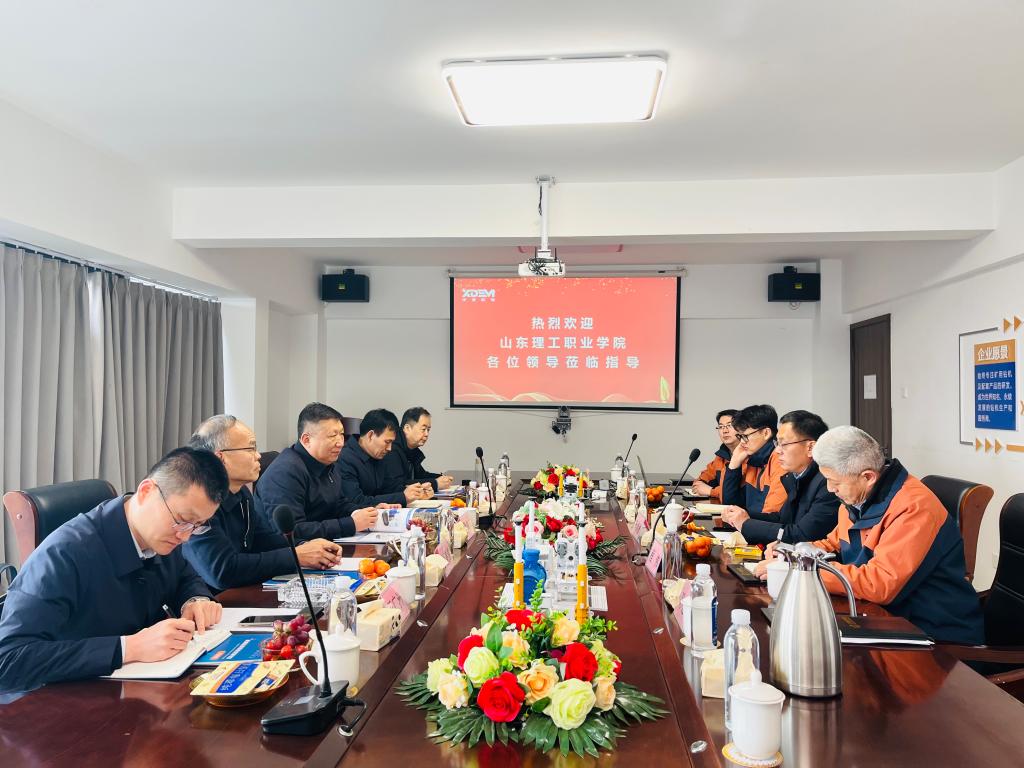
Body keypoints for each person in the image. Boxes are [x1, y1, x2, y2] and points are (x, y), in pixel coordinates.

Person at [0, 448, 228, 693]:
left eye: (197, 526)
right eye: (182, 519)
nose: (185, 536)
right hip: (69, 701)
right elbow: (8, 661)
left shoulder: (163, 536)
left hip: (140, 690)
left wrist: (195, 600)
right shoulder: (63, 554)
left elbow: (184, 576)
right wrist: (128, 648)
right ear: (146, 492)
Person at [792, 426, 982, 644]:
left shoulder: (913, 508)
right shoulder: (856, 499)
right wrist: (792, 553)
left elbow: (879, 584)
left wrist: (804, 570)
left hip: (932, 634)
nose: (830, 488)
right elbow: (834, 543)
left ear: (868, 477)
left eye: (835, 482)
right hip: (882, 618)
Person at [182, 415, 342, 591]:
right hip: (210, 600)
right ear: (221, 458)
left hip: (242, 592)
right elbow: (223, 571)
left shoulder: (241, 493)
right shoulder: (197, 502)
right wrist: (297, 556)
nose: (258, 456)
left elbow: (264, 539)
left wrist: (307, 548)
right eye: (250, 448)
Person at [255, 403, 380, 541]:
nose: (340, 443)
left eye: (341, 434)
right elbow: (292, 532)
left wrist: (367, 513)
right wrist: (350, 524)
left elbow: (338, 504)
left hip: (323, 542)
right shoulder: (285, 472)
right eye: (332, 436)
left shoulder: (327, 462)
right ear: (306, 440)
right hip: (291, 550)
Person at [724, 410, 839, 545]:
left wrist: (746, 524)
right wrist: (742, 516)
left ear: (810, 448)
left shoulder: (828, 484)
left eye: (784, 444)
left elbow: (802, 535)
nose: (778, 450)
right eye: (777, 444)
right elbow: (782, 519)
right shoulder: (796, 476)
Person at [339, 408, 432, 507]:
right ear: (370, 435)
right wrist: (403, 497)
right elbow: (356, 500)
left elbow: (388, 488)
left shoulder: (378, 455)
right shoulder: (345, 459)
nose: (389, 448)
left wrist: (416, 492)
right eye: (387, 442)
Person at [720, 404, 788, 517]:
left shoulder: (780, 459)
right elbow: (730, 504)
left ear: (766, 433)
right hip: (752, 525)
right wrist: (734, 464)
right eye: (740, 437)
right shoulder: (753, 458)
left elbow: (772, 514)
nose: (742, 442)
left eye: (745, 436)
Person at [385, 407, 455, 492]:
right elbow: (398, 484)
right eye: (423, 429)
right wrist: (435, 483)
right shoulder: (392, 449)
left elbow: (420, 475)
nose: (426, 434)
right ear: (407, 428)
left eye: (428, 430)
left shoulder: (411, 449)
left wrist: (441, 478)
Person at [691, 409, 738, 501]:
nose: (725, 430)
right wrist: (699, 485)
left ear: (742, 428)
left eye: (729, 425)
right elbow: (701, 480)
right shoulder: (722, 455)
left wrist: (711, 491)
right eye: (721, 427)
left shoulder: (749, 455)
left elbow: (743, 492)